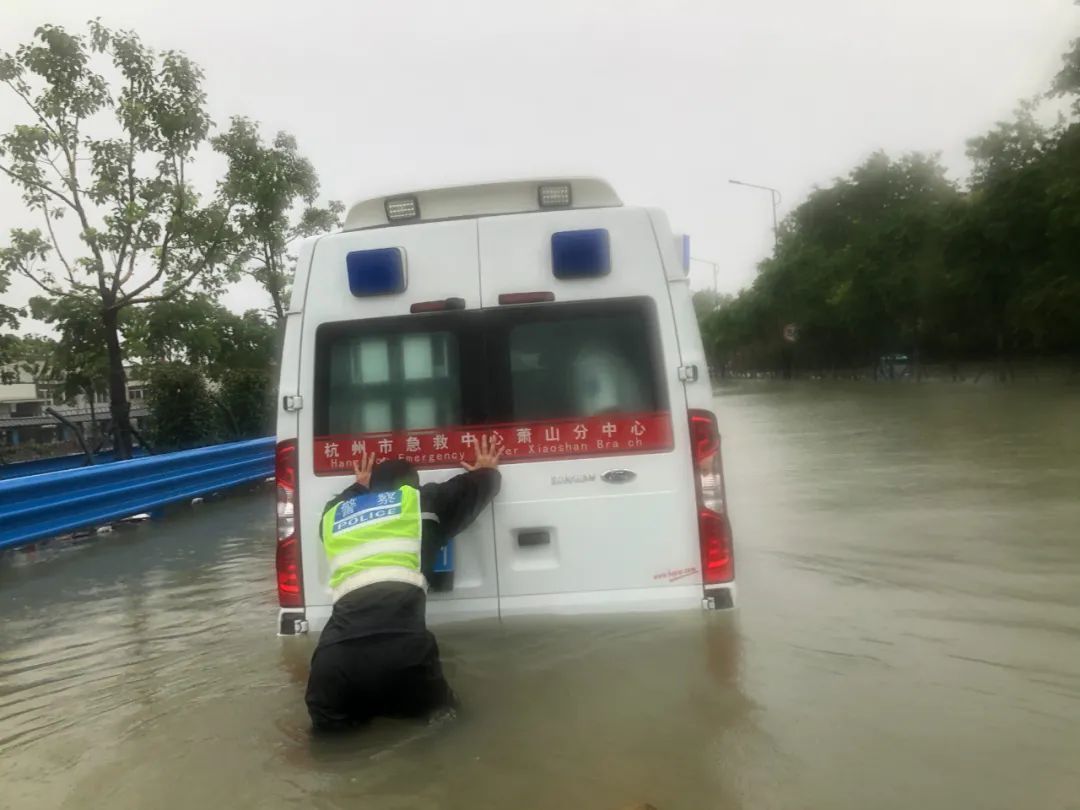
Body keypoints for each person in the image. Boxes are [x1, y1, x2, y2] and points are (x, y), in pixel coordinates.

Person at [305, 436, 502, 732]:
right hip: (404, 657)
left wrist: (359, 484)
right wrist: (486, 470)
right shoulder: (422, 503)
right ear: (413, 486)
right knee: (449, 732)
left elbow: (339, 502)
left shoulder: (333, 517)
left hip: (332, 667)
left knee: (335, 755)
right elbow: (476, 488)